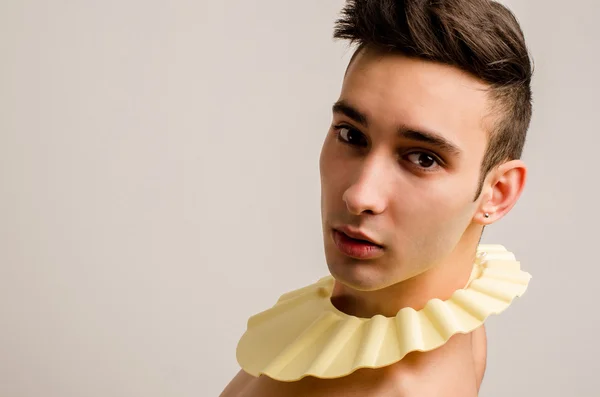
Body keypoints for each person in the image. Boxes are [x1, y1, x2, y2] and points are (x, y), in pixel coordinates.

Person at [220, 0, 533, 395]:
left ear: (498, 194)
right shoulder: (450, 317)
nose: (359, 196)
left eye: (423, 158)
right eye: (352, 135)